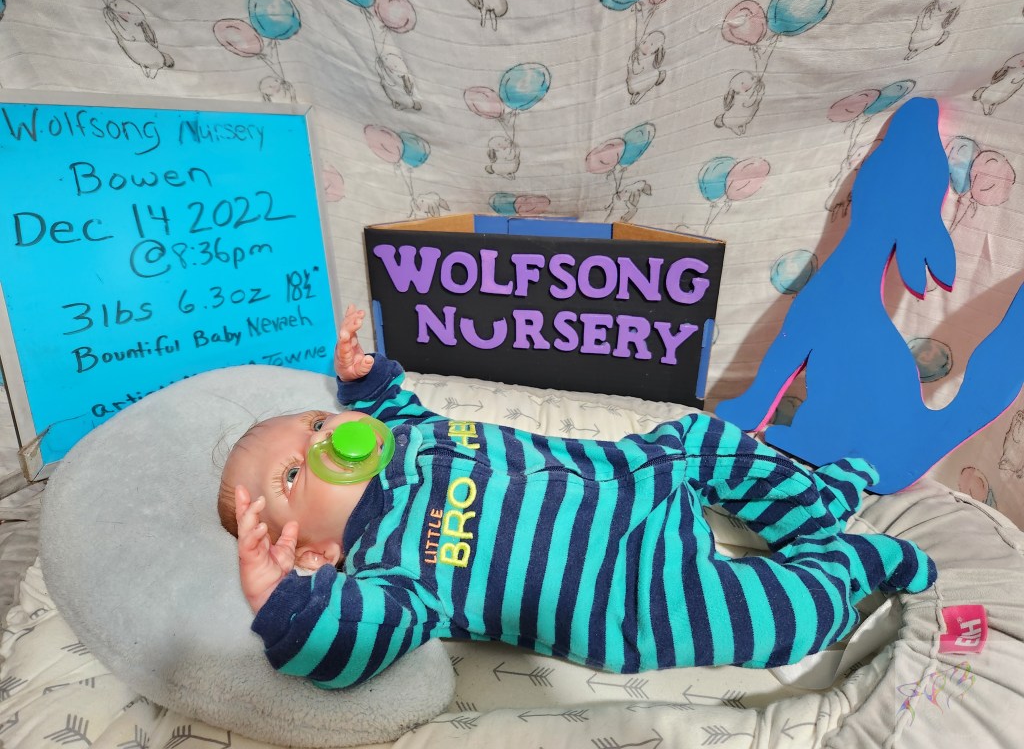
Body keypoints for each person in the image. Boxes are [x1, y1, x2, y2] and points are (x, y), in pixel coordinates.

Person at [219, 304, 936, 690]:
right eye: (293, 475)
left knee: (704, 436)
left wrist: (365, 384)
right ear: (316, 551)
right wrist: (285, 604)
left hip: (637, 475)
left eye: (313, 424)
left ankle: (812, 509)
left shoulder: (409, 438)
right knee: (778, 618)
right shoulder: (388, 570)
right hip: (634, 595)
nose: (324, 441)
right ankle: (850, 565)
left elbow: (394, 412)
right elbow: (352, 642)